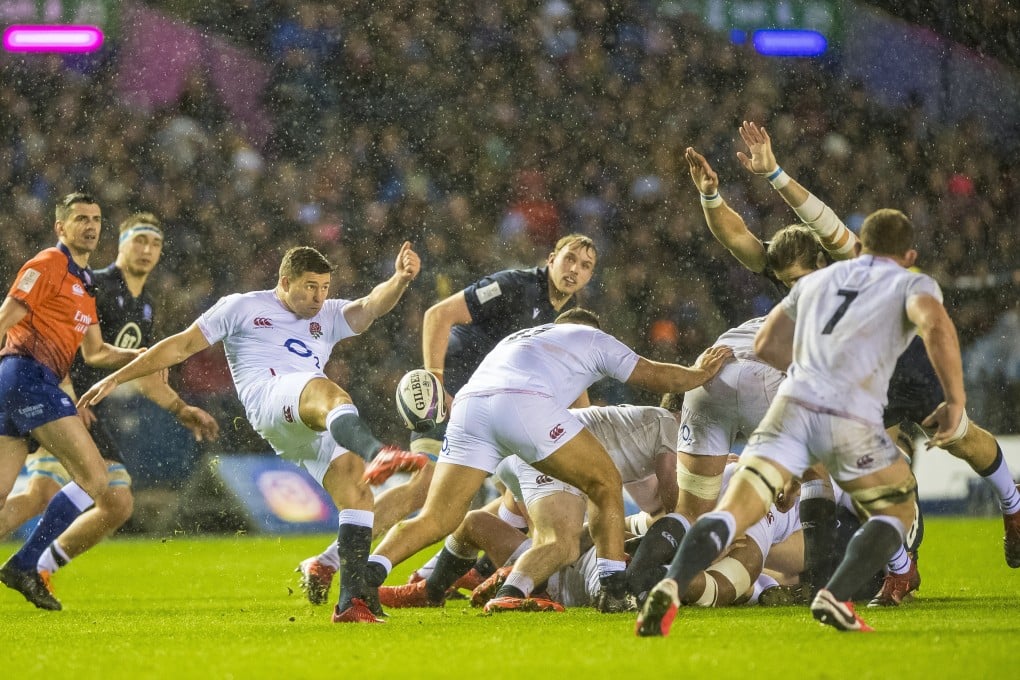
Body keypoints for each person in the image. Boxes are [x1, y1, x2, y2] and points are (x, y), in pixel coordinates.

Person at [636, 208, 962, 636]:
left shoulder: (810, 287)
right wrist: (954, 399)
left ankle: (670, 585)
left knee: (725, 512)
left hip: (732, 382)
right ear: (908, 253)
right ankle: (830, 589)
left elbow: (766, 343)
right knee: (894, 506)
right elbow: (936, 328)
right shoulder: (901, 284)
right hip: (818, 404)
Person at [78, 242, 422, 624]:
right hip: (271, 400)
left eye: (324, 287)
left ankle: (351, 603)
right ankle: (379, 453)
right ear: (285, 280)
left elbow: (371, 305)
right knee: (330, 391)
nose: (318, 296)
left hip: (307, 419)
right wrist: (118, 376)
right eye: (310, 286)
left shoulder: (326, 313)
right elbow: (182, 345)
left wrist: (400, 279)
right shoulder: (242, 307)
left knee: (356, 490)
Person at [732, 122, 1020, 579]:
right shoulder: (799, 278)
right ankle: (899, 566)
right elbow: (739, 242)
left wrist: (775, 175)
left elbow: (823, 218)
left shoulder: (853, 262)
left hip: (905, 367)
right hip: (860, 382)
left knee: (962, 438)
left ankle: (1012, 502)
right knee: (859, 469)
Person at [361, 308, 732, 614]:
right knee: (603, 482)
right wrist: (700, 375)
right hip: (522, 406)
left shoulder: (525, 336)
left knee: (436, 517)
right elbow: (655, 375)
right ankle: (612, 584)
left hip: (470, 406)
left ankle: (364, 580)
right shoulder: (593, 339)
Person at [296, 233, 599, 603]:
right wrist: (437, 385)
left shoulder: (561, 319)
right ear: (552, 258)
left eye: (585, 267)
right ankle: (335, 563)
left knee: (510, 496)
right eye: (570, 259)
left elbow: (573, 388)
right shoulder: (515, 285)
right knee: (427, 489)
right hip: (455, 401)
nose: (575, 270)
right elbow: (438, 315)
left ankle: (437, 574)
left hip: (496, 415)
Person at [0, 212, 219, 592]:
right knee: (57, 492)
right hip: (62, 402)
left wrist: (180, 409)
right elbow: (62, 340)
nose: (147, 250)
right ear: (120, 243)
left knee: (113, 501)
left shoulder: (144, 306)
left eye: (155, 243)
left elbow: (139, 369)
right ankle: (28, 567)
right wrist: (66, 397)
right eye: (139, 240)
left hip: (79, 408)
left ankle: (39, 567)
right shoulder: (93, 284)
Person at [378, 402, 681, 612]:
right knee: (474, 522)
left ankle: (507, 584)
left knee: (558, 541)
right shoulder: (661, 441)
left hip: (579, 577)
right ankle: (434, 588)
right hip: (564, 557)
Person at [0, 192, 142, 611]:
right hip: (28, 376)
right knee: (97, 481)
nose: (91, 225)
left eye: (96, 218)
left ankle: (25, 564)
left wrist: (141, 357)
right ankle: (26, 565)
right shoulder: (47, 264)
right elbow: (6, 318)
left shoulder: (85, 283)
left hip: (21, 384)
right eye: (80, 218)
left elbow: (95, 352)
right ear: (60, 227)